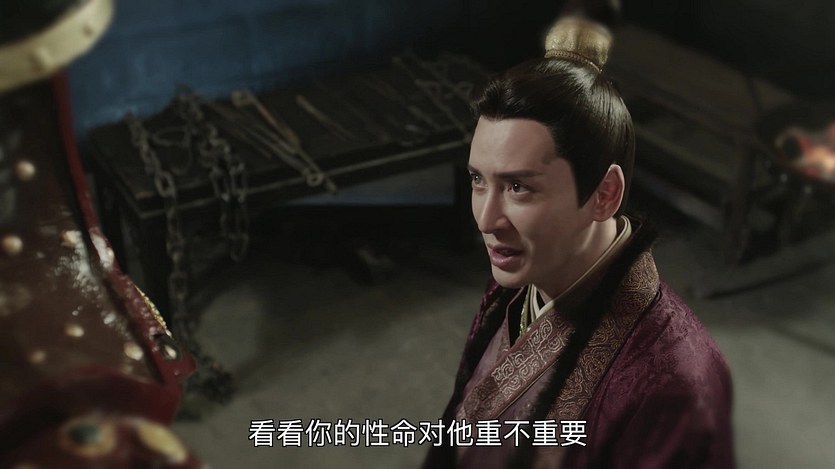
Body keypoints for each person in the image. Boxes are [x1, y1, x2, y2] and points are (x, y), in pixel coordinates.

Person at [423, 15, 735, 469]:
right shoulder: (519, 279)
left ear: (605, 194)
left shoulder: (678, 381)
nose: (486, 220)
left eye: (518, 187)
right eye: (477, 180)